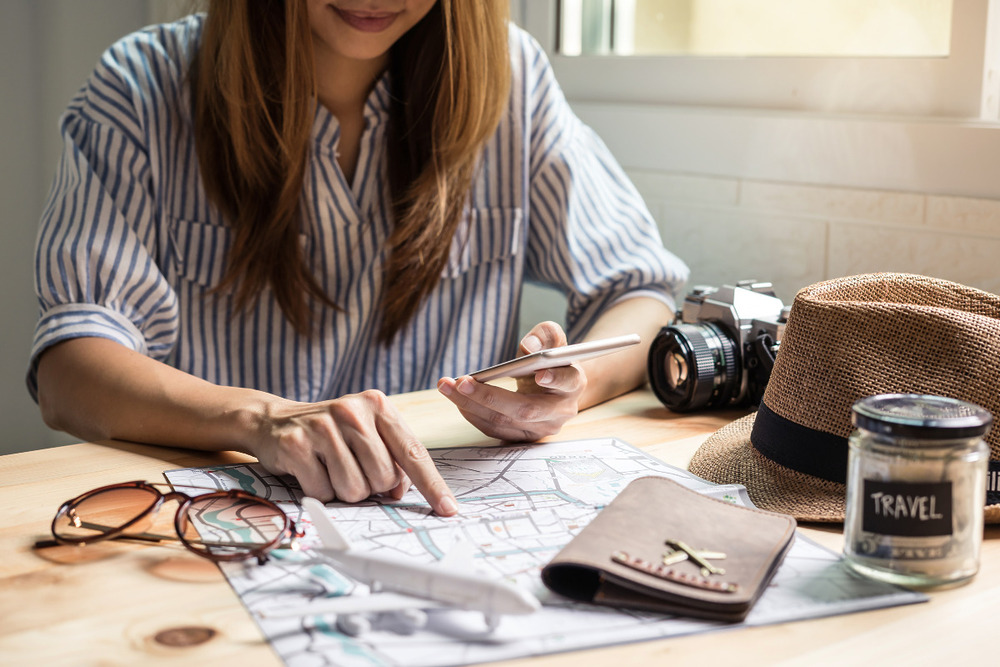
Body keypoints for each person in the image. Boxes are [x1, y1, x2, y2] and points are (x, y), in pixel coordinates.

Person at [29, 0, 689, 517]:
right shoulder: (142, 86)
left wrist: (568, 389)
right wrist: (262, 419)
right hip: (224, 519)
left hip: (437, 513)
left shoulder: (511, 82)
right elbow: (70, 370)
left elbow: (642, 292)